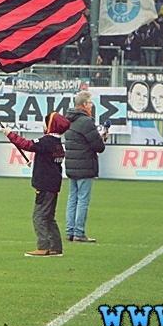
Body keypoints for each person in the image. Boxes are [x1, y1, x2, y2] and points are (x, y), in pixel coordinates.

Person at [2, 112, 70, 257]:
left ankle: (43, 247)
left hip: (44, 186)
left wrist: (10, 134)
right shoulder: (58, 144)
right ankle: (56, 247)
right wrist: (35, 164)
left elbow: (26, 144)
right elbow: (49, 162)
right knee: (49, 217)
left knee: (38, 217)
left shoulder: (46, 141)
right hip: (53, 184)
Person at [64, 90, 107, 243]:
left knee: (72, 198)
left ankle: (70, 231)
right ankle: (79, 232)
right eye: (90, 103)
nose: (92, 105)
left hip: (71, 164)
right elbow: (98, 146)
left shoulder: (68, 120)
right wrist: (102, 139)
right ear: (84, 104)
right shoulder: (86, 121)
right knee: (82, 199)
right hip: (84, 165)